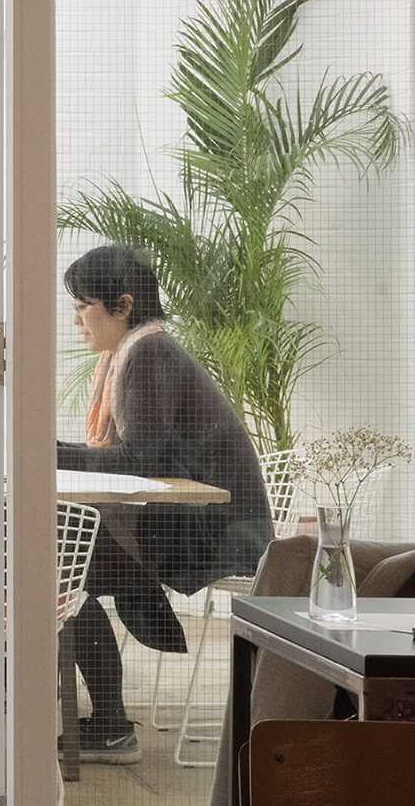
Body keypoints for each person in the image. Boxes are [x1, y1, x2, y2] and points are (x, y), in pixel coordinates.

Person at [59, 244, 272, 762]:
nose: (76, 319)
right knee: (51, 556)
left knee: (52, 565)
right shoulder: (139, 351)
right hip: (193, 522)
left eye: (83, 305)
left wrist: (45, 452)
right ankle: (95, 718)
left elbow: (139, 458)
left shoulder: (149, 353)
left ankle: (110, 727)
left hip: (214, 535)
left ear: (123, 306)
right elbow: (143, 459)